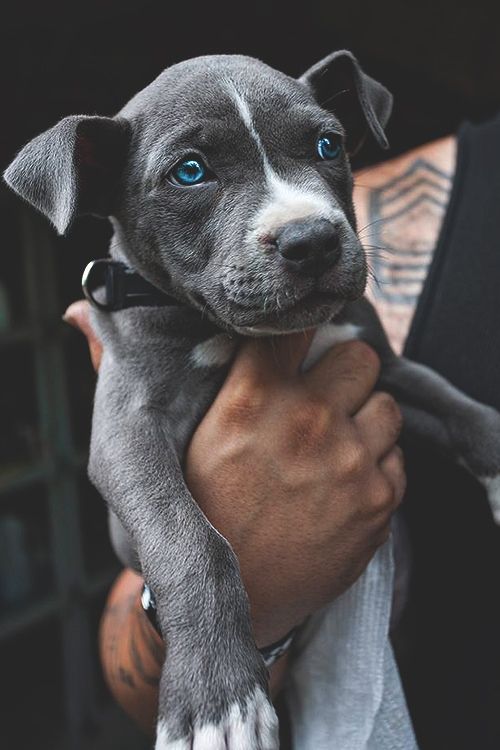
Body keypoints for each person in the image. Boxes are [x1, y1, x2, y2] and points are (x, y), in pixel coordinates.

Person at [67, 120, 500, 748]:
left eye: (324, 146)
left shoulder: (334, 282)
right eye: (190, 171)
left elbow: (395, 377)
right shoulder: (143, 325)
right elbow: (121, 457)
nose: (302, 221)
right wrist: (220, 615)